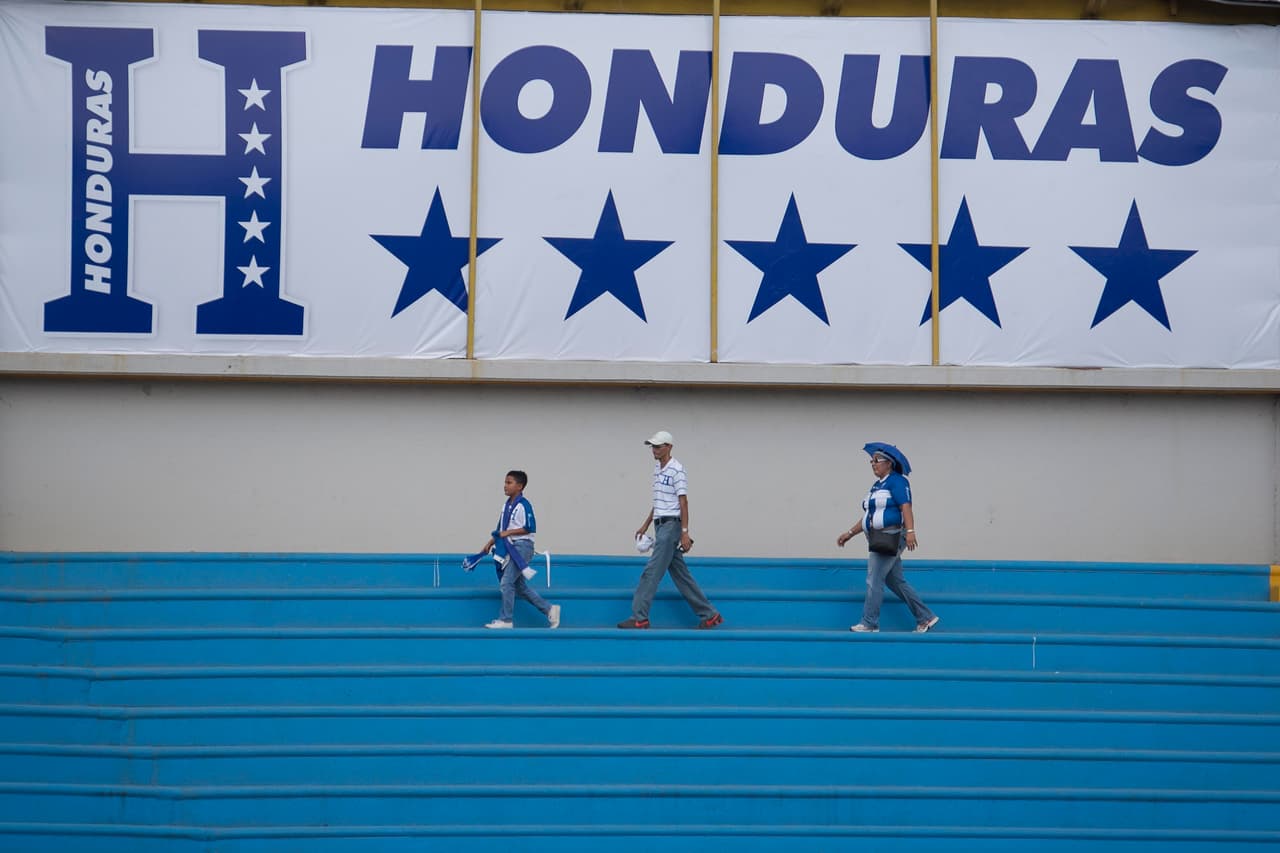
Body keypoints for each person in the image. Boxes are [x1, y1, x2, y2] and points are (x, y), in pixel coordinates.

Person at [619, 430, 723, 630]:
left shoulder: (677, 470)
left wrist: (684, 531)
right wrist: (646, 524)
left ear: (669, 447)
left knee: (650, 573)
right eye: (653, 447)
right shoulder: (658, 469)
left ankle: (639, 617)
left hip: (671, 527)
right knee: (681, 575)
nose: (654, 450)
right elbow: (659, 501)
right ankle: (710, 614)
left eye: (658, 446)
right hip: (661, 525)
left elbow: (683, 502)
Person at [836, 444, 939, 634]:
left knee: (874, 579)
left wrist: (910, 532)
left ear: (889, 463)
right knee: (895, 581)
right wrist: (849, 533)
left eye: (877, 460)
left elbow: (906, 507)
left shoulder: (898, 481)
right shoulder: (877, 485)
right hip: (878, 538)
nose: (873, 464)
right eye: (871, 461)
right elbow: (869, 516)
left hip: (891, 537)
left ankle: (869, 622)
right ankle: (926, 617)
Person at [477, 470, 560, 630]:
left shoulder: (524, 505)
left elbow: (530, 527)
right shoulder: (506, 505)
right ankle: (549, 609)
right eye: (505, 482)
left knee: (506, 582)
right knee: (519, 587)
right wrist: (491, 541)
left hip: (522, 547)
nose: (505, 486)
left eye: (509, 482)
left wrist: (508, 533)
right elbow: (501, 527)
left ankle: (506, 619)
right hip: (510, 546)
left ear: (520, 486)